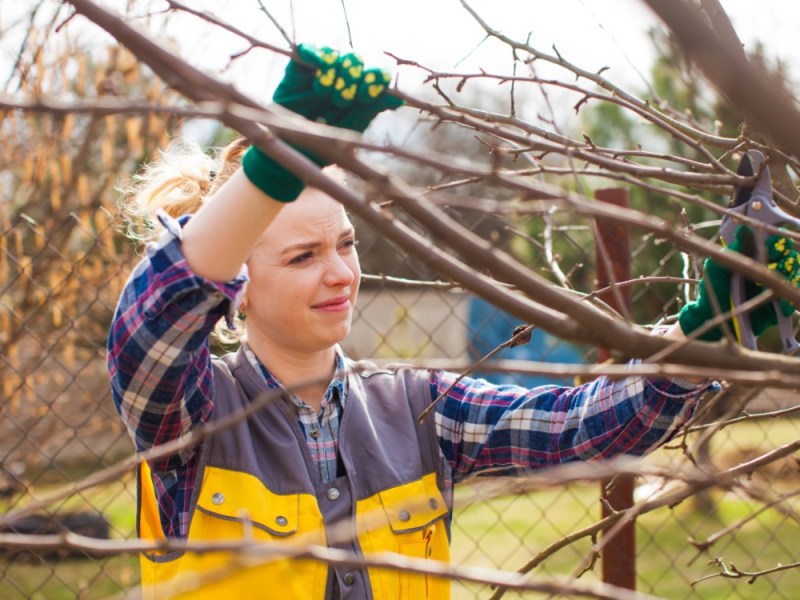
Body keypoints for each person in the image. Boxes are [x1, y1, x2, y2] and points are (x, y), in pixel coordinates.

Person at [108, 44, 800, 599]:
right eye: (303, 255)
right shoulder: (190, 423)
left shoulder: (417, 409)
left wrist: (711, 331)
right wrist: (272, 164)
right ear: (240, 290)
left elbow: (584, 427)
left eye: (346, 244)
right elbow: (154, 322)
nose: (342, 273)